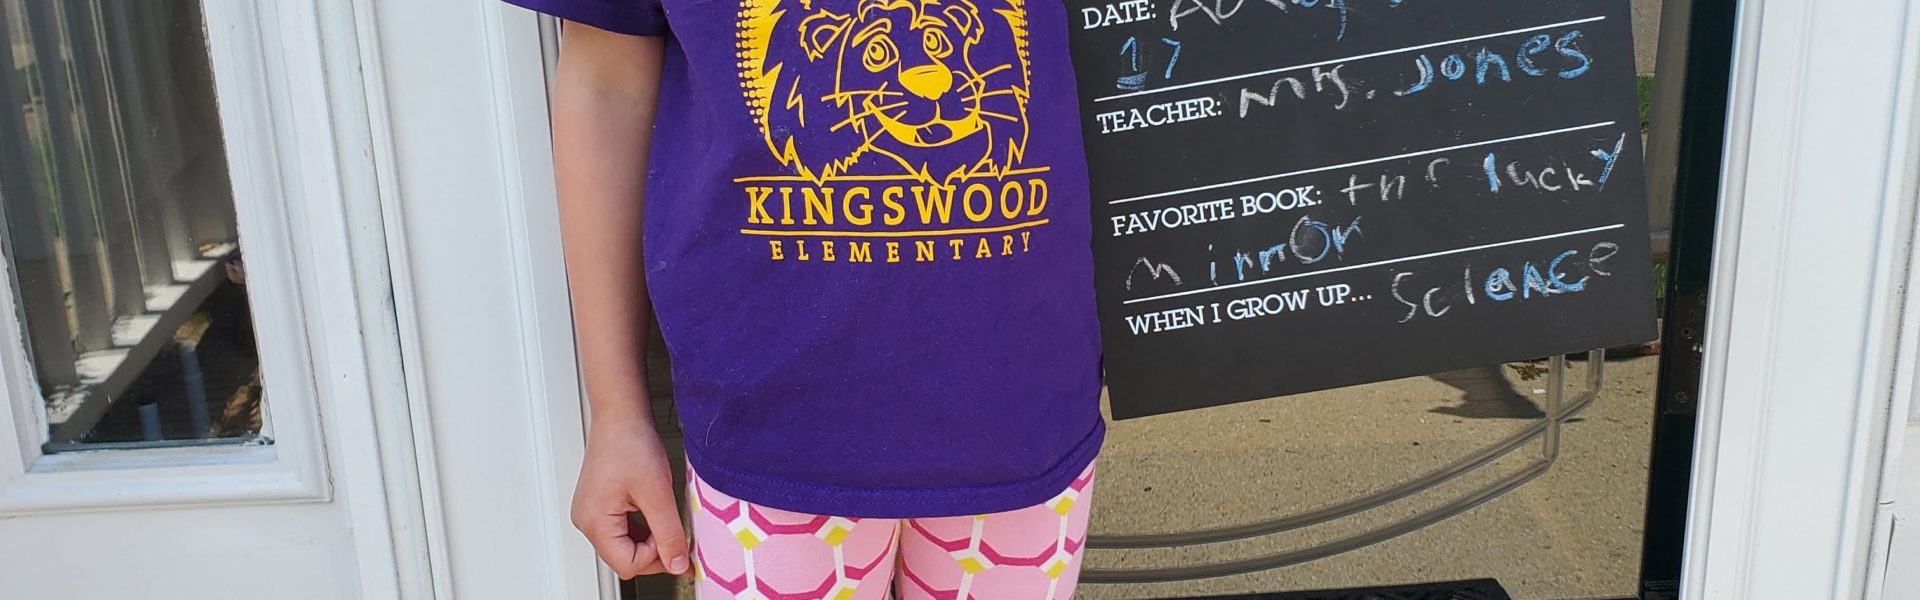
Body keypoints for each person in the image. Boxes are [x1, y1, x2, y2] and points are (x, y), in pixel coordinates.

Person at [501, 0, 1106, 596]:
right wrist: (617, 413)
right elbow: (606, 82)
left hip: (1023, 403)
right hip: (768, 424)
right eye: (878, 54)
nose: (928, 76)